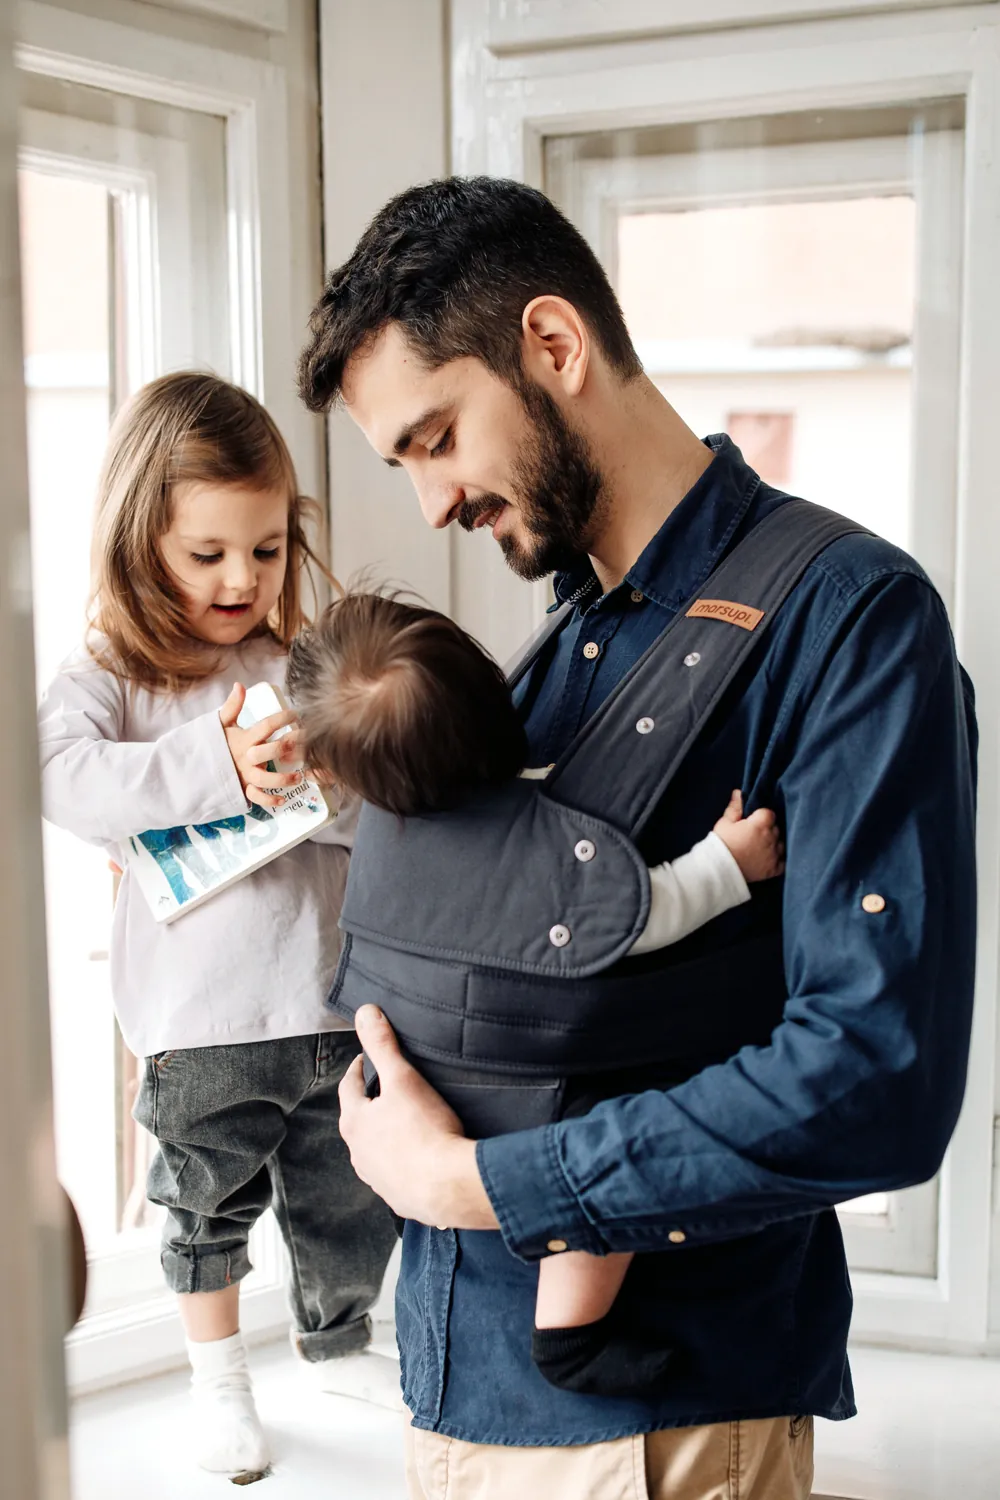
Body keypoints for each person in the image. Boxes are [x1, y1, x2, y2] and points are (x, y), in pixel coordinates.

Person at [296, 176, 978, 1500]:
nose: (431, 502)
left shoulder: (851, 621)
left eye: (437, 437)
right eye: (405, 461)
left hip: (660, 1430)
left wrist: (483, 1182)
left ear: (554, 346)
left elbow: (874, 1075)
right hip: (452, 1385)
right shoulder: (552, 658)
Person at [286, 589, 784, 1394]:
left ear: (343, 773)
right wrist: (731, 864)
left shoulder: (373, 827)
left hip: (403, 1076)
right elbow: (640, 912)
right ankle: (570, 1336)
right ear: (495, 696)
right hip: (522, 1098)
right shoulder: (546, 835)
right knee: (604, 1157)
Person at [36, 372, 398, 1478]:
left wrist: (325, 785)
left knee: (351, 1192)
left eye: (267, 550)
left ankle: (337, 1339)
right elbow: (58, 776)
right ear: (141, 542)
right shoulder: (111, 672)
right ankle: (218, 1381)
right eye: (207, 555)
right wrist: (214, 767)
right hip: (199, 1020)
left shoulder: (298, 662)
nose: (242, 579)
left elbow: (374, 804)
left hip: (329, 999)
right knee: (204, 1207)